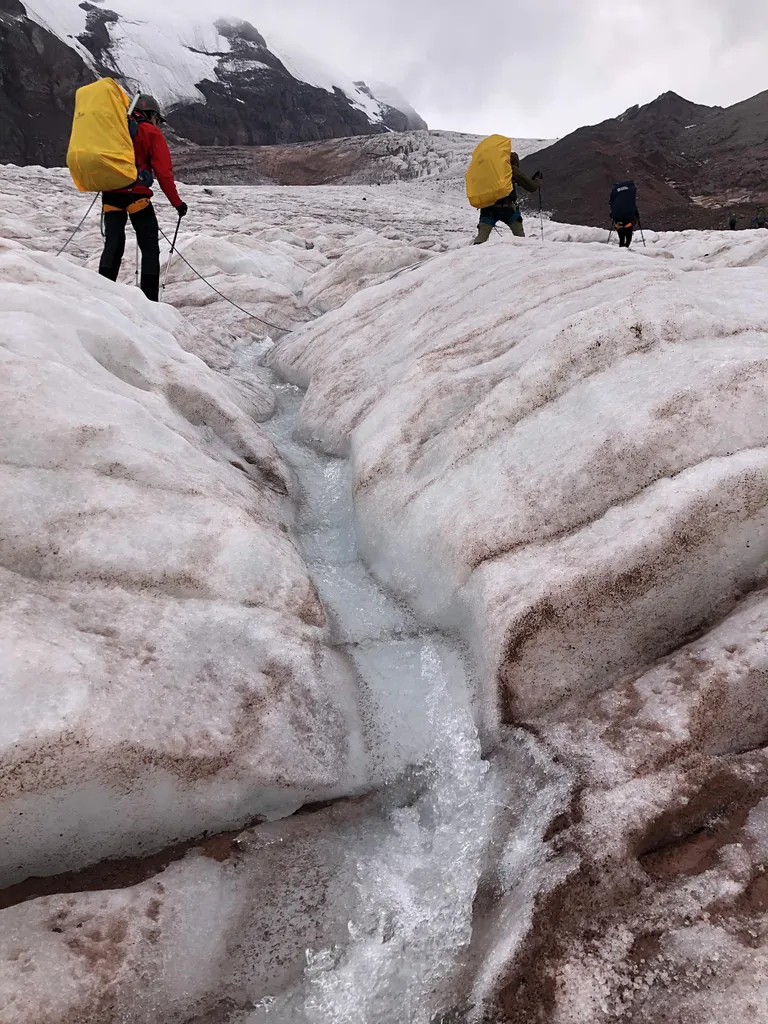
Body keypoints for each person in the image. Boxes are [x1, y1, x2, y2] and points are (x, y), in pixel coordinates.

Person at [98, 95, 187, 301]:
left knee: (113, 244)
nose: (158, 124)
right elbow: (164, 173)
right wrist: (177, 203)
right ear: (151, 115)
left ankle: (102, 295)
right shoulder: (151, 132)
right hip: (136, 196)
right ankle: (150, 301)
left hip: (111, 194)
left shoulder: (115, 127)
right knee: (149, 248)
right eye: (157, 119)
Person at [473, 153, 541, 244]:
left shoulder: (488, 170)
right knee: (521, 240)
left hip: (488, 209)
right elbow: (532, 187)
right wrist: (536, 180)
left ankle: (474, 256)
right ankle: (522, 255)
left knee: (481, 240)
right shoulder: (511, 169)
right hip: (508, 209)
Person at [610, 181, 640, 248]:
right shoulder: (629, 200)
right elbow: (634, 208)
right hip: (629, 220)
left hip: (618, 221)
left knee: (621, 238)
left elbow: (612, 207)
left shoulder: (616, 196)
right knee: (628, 238)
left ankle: (622, 249)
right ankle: (626, 248)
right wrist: (637, 217)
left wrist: (612, 216)